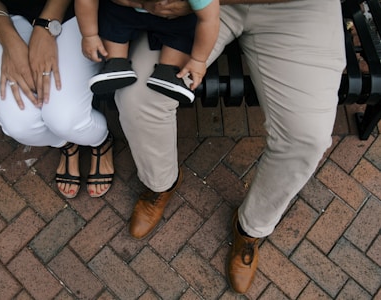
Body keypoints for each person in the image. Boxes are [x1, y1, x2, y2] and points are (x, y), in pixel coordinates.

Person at [112, 0, 346, 294]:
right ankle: (160, 183)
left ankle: (250, 229)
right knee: (139, 99)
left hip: (297, 8)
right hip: (198, 5)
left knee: (306, 138)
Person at [0, 0, 115, 199]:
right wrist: (8, 40)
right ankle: (66, 143)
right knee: (20, 126)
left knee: (67, 121)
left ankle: (100, 140)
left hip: (71, 9)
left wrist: (46, 25)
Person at [74, 0, 219, 103]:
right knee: (112, 18)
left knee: (185, 32)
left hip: (174, 16)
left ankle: (169, 71)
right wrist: (90, 35)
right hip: (125, 10)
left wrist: (198, 59)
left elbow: (209, 19)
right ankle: (116, 62)